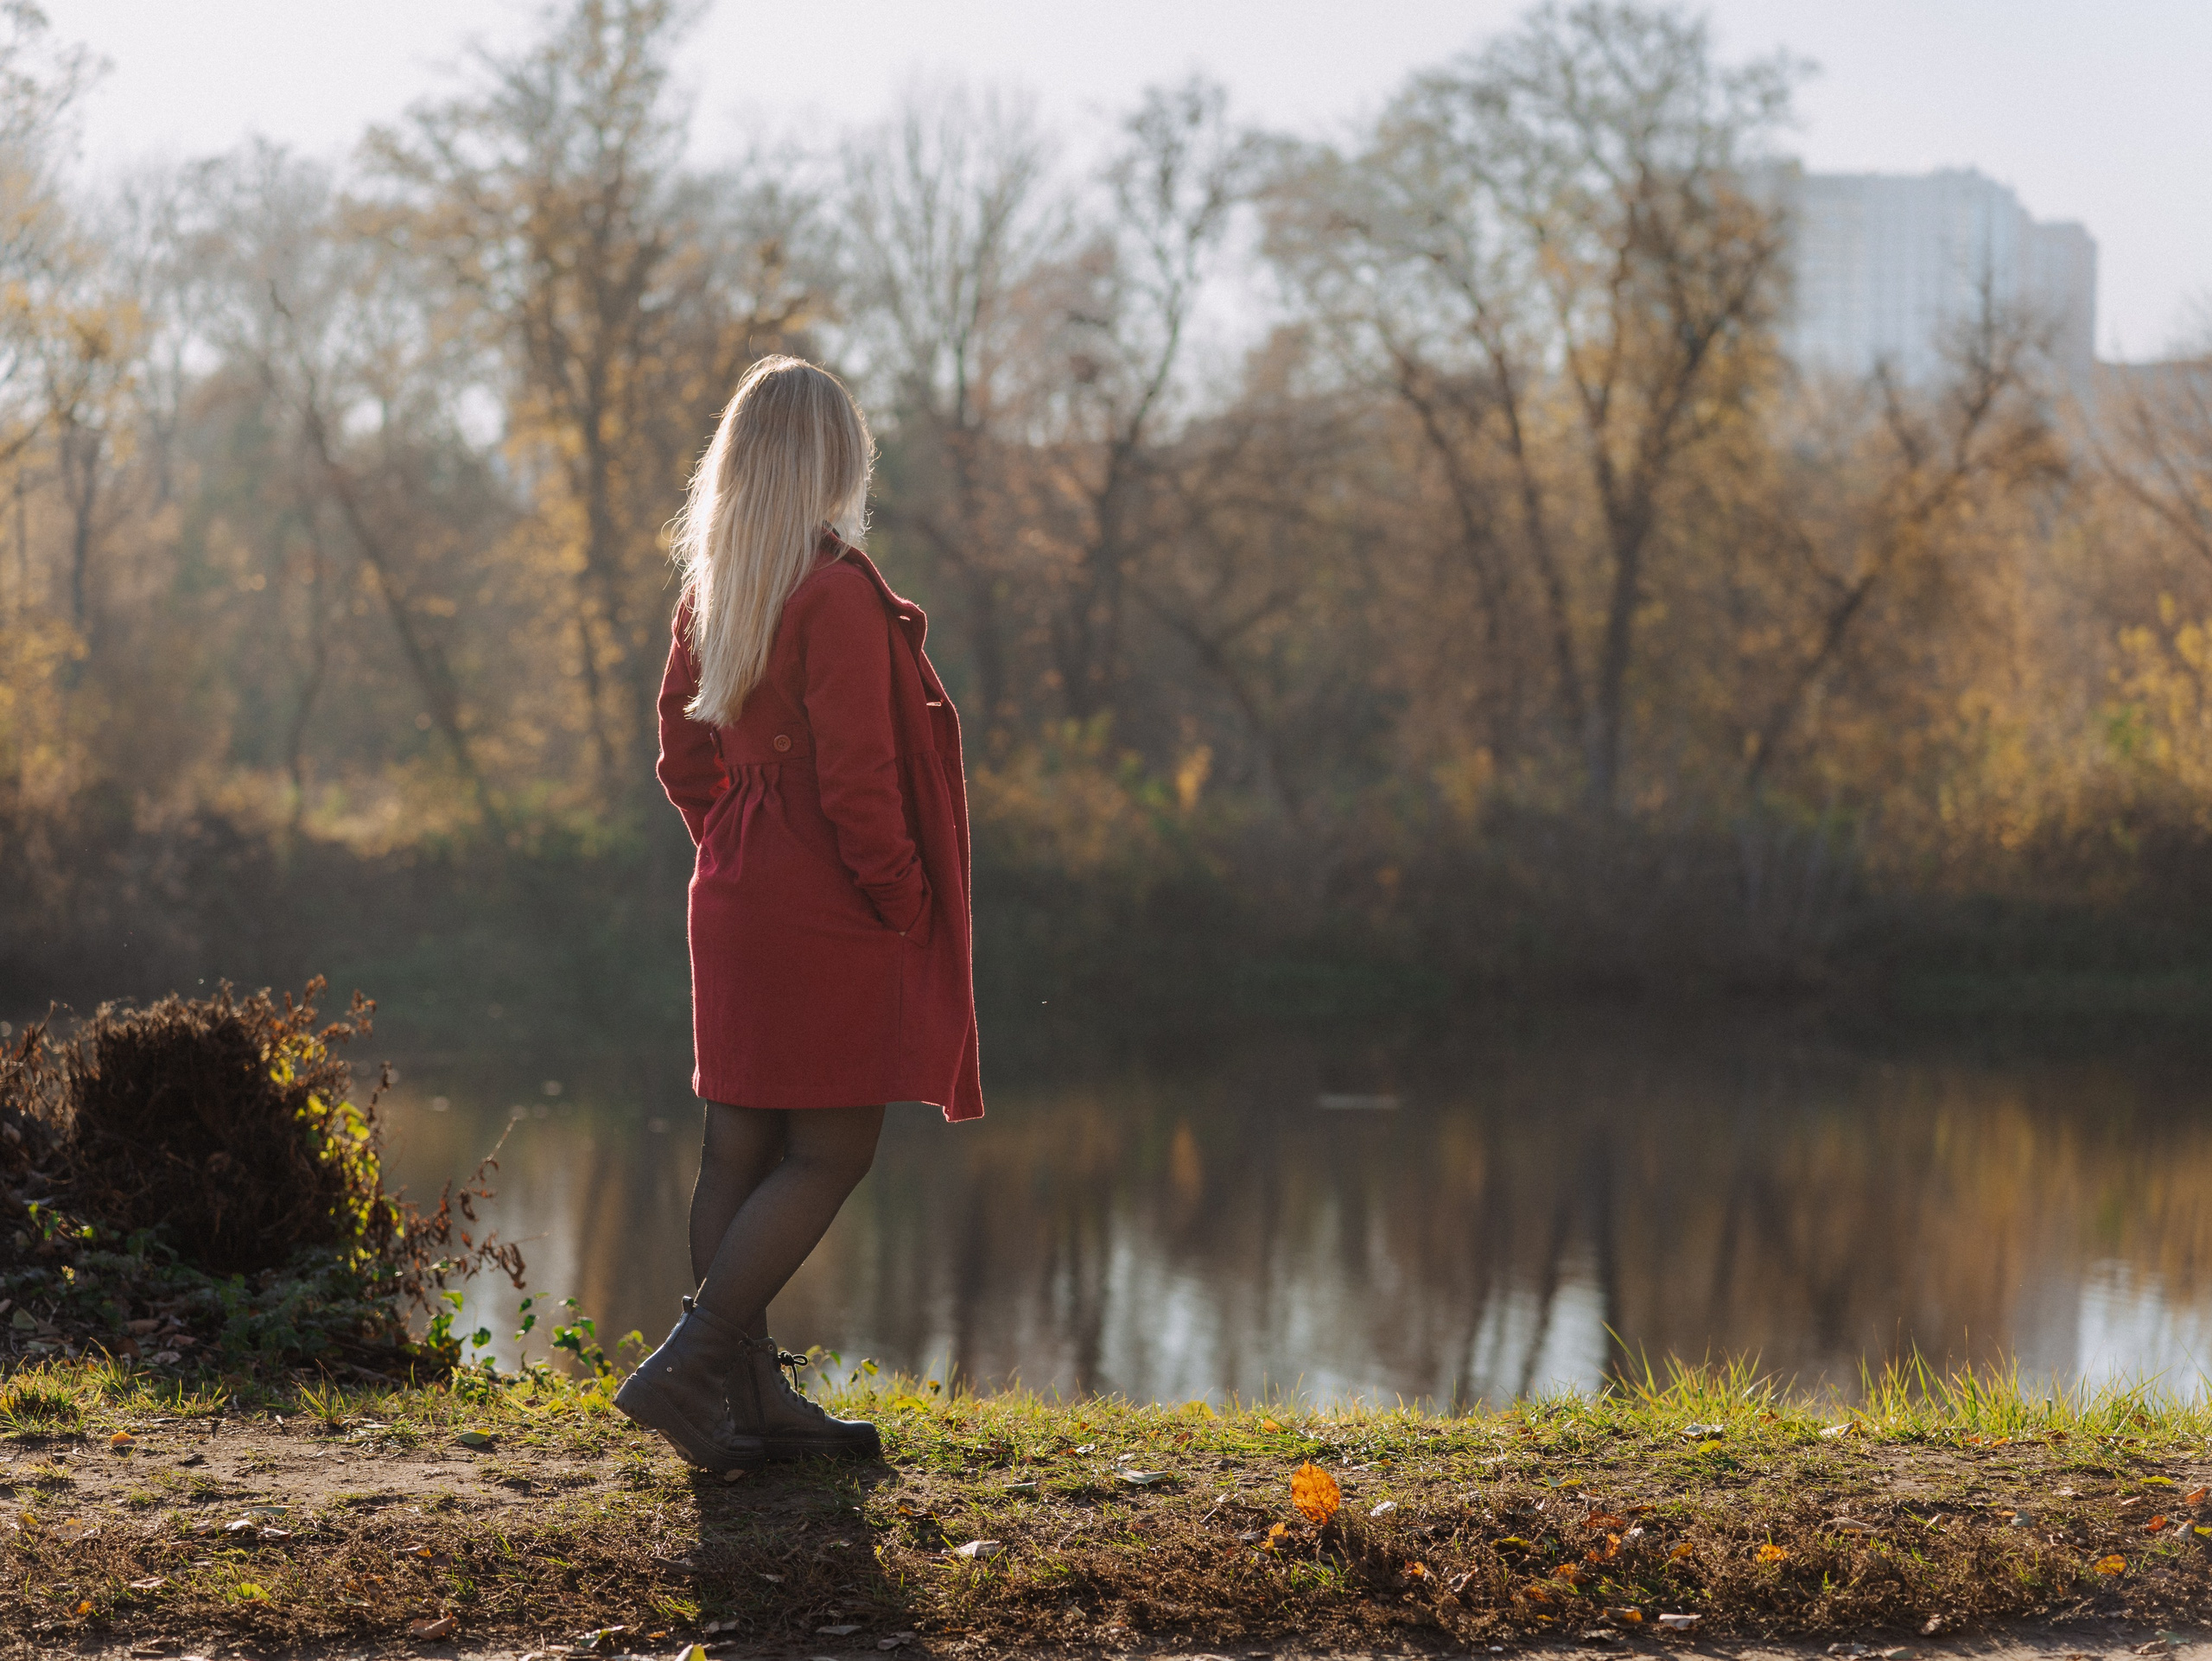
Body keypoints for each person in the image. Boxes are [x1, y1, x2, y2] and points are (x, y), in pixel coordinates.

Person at [613, 356, 983, 1471]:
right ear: (834, 461)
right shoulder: (833, 592)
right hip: (824, 899)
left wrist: (736, 847)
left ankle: (746, 1403)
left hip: (732, 893)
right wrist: (903, 898)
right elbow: (864, 785)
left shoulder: (713, 592)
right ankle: (690, 1365)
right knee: (829, 1150)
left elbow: (683, 761)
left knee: (738, 1145)